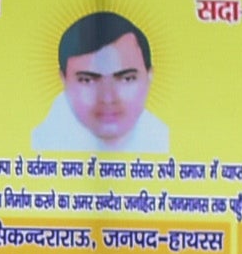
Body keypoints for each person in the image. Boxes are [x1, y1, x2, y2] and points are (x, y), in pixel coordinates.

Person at [30, 11, 170, 153]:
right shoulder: (40, 143)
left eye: (127, 79)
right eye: (87, 80)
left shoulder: (164, 140)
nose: (107, 98)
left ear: (149, 76)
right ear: (63, 80)